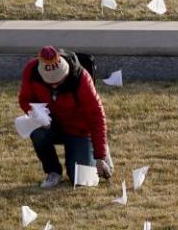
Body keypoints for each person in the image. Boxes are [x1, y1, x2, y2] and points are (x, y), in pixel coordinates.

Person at [18, 46, 112, 188]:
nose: (55, 85)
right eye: (51, 82)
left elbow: (96, 116)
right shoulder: (31, 70)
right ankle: (53, 171)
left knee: (81, 180)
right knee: (38, 133)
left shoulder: (81, 77)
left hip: (79, 130)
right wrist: (36, 113)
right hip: (50, 125)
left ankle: (100, 152)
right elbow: (24, 99)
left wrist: (100, 156)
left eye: (59, 80)